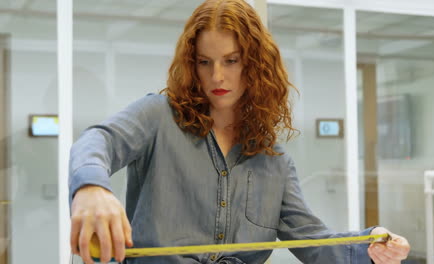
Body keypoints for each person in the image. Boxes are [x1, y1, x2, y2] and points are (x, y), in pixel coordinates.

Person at [69, 0, 411, 263]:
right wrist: (90, 186)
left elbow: (315, 242)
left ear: (255, 65)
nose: (217, 76)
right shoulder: (158, 115)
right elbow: (98, 140)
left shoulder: (273, 161)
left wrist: (372, 244)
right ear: (192, 65)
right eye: (205, 62)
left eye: (231, 61)